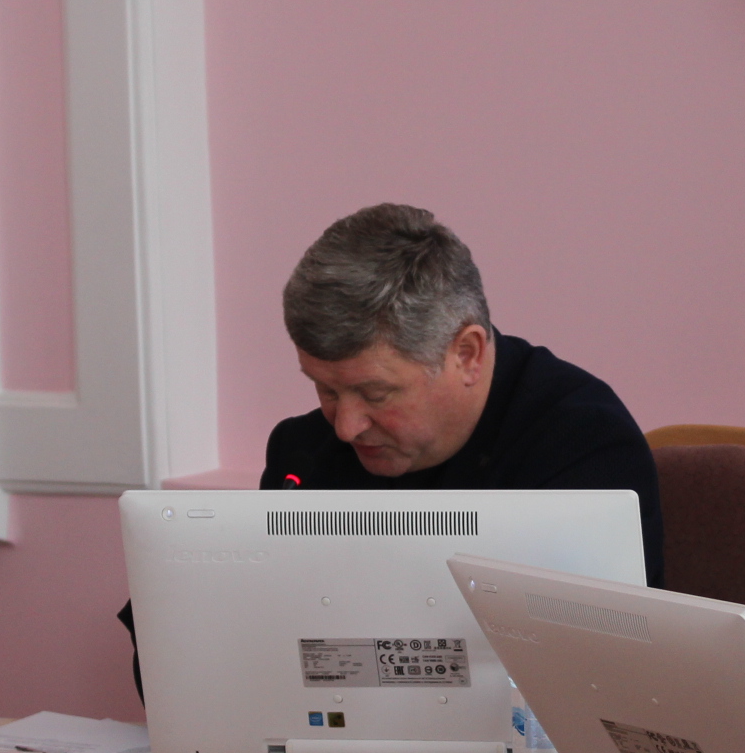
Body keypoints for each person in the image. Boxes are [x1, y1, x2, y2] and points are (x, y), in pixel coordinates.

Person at [261, 203, 663, 585]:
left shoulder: (586, 448)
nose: (346, 428)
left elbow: (598, 632)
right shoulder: (300, 461)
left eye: (375, 393)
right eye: (327, 390)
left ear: (467, 354)